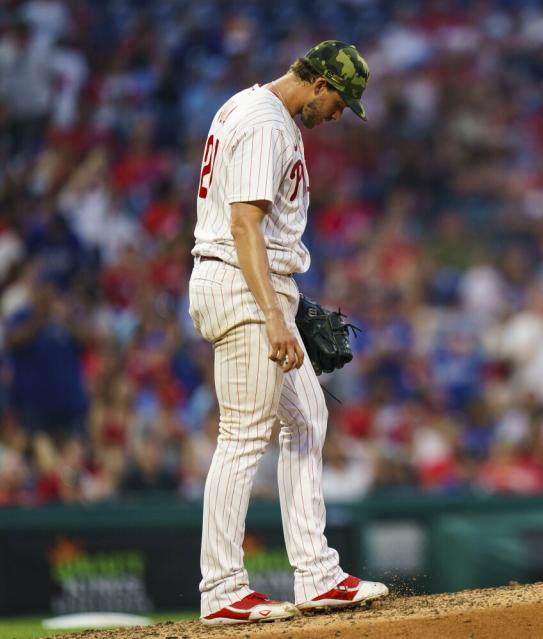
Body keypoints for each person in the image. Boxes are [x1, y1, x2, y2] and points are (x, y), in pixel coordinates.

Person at [187, 40, 387, 625]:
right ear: (320, 83)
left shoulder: (256, 112)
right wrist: (274, 313)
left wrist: (284, 302)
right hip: (243, 286)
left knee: (306, 419)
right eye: (339, 103)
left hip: (257, 284)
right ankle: (222, 587)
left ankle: (318, 574)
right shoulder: (265, 122)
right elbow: (244, 223)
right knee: (244, 435)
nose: (337, 116)